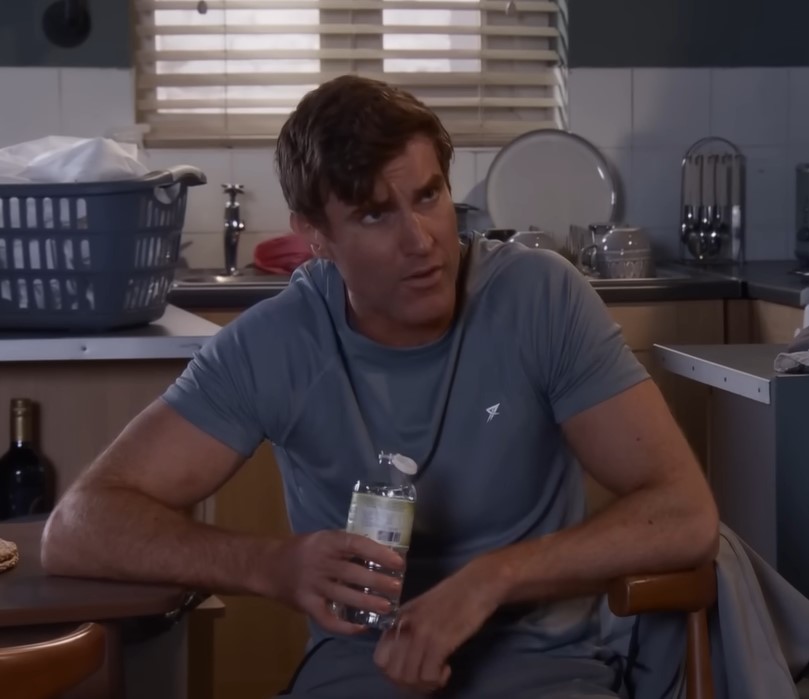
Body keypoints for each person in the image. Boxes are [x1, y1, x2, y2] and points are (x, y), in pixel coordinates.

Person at [41, 75, 719, 698]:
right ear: (315, 235)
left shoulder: (539, 298)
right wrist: (272, 566)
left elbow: (684, 512)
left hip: (546, 672)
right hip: (355, 675)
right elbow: (78, 528)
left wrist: (492, 578)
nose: (420, 240)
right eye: (373, 214)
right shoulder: (278, 341)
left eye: (428, 196)